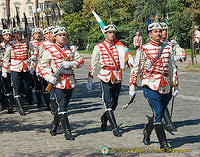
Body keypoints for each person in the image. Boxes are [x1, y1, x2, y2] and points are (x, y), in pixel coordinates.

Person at [129, 22, 178, 151]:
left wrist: (175, 85)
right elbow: (136, 69)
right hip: (149, 84)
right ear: (150, 33)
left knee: (158, 112)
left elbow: (172, 68)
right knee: (157, 111)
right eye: (155, 31)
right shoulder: (143, 49)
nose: (158, 33)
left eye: (160, 31)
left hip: (165, 85)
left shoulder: (167, 47)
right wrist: (132, 87)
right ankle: (164, 143)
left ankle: (147, 131)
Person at [86, 24, 134, 137]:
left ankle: (104, 117)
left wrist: (130, 59)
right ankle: (115, 128)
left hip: (117, 76)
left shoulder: (119, 46)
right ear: (105, 33)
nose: (112, 34)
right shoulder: (99, 47)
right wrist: (90, 79)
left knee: (115, 103)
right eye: (110, 32)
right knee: (108, 102)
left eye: (113, 32)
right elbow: (93, 64)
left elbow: (126, 54)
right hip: (105, 75)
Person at [38, 27, 84, 140]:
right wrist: (49, 77)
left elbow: (81, 62)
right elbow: (41, 66)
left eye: (64, 34)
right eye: (60, 35)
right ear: (55, 37)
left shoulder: (71, 49)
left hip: (70, 81)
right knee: (62, 106)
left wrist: (71, 63)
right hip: (57, 82)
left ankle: (54, 125)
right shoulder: (50, 50)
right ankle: (67, 132)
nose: (63, 36)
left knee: (64, 105)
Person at [2, 27, 37, 116]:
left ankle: (21, 97)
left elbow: (36, 50)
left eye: (20, 33)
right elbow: (6, 58)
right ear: (14, 35)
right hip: (15, 67)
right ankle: (20, 108)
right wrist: (4, 70)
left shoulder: (26, 42)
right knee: (16, 87)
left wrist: (33, 57)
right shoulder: (10, 44)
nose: (19, 35)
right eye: (17, 33)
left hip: (25, 67)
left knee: (26, 87)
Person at [160, 22, 187, 132]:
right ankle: (168, 122)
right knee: (161, 99)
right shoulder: (155, 44)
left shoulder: (172, 44)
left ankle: (157, 120)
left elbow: (183, 54)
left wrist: (177, 57)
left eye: (166, 30)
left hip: (171, 74)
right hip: (159, 75)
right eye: (162, 30)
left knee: (168, 98)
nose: (165, 32)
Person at [0, 29, 14, 113]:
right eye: (6, 35)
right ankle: (7, 104)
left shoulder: (13, 45)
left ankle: (12, 103)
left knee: (12, 86)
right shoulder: (1, 46)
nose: (8, 36)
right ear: (3, 36)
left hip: (12, 67)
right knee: (4, 86)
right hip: (2, 68)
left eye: (9, 35)